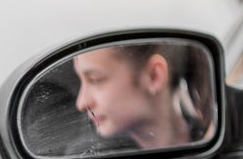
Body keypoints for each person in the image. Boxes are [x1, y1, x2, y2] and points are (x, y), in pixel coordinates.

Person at [73, 43, 209, 150]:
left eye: (95, 79)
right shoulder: (88, 157)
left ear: (154, 76)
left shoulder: (211, 137)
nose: (81, 103)